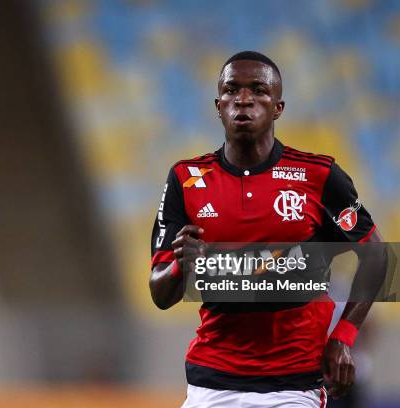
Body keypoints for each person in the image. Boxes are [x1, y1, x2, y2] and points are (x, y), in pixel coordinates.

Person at [149, 51, 387, 407]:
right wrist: (180, 265)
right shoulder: (186, 178)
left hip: (292, 386)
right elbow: (159, 293)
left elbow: (377, 255)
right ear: (218, 105)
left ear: (278, 107)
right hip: (211, 382)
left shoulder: (317, 176)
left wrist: (343, 336)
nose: (243, 99)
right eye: (232, 90)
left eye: (258, 90)